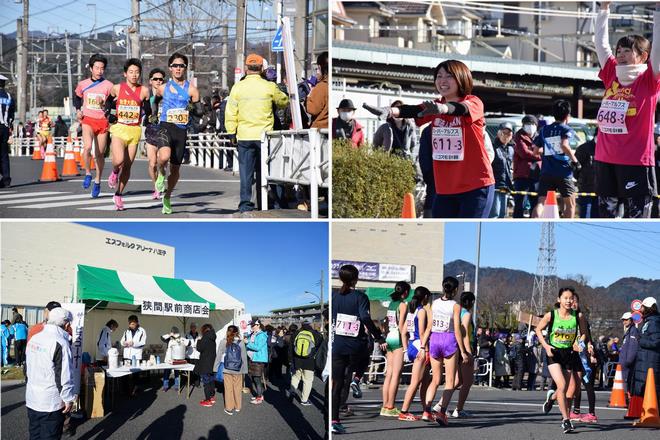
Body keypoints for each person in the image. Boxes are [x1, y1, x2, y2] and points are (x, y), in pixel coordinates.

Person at [366, 60, 495, 218]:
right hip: (445, 188)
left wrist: (444, 109)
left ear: (462, 78)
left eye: (449, 76)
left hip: (476, 185)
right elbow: (412, 110)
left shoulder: (474, 102)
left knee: (467, 234)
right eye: (439, 76)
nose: (442, 80)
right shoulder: (435, 106)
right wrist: (389, 111)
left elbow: (461, 109)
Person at [594, 2, 659, 218]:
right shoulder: (612, 73)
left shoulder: (649, 80)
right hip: (605, 158)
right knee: (606, 219)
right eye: (618, 50)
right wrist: (604, 8)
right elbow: (600, 44)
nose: (620, 54)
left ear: (643, 56)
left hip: (636, 161)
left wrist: (658, 12)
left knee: (637, 219)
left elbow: (658, 52)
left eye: (627, 50)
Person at [225, 53, 289, 213]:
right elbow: (284, 101)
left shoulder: (237, 87)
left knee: (246, 174)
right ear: (262, 69)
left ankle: (246, 205)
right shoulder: (269, 86)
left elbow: (230, 112)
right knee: (267, 172)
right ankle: (269, 203)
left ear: (246, 68)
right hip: (265, 137)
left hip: (244, 137)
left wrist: (232, 133)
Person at [331, 264, 385, 435]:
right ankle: (357, 378)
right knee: (365, 359)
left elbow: (331, 316)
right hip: (356, 343)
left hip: (338, 345)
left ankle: (334, 421)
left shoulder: (335, 297)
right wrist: (377, 335)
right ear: (356, 279)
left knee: (337, 384)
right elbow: (365, 317)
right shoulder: (360, 297)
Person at [153, 52, 203, 214]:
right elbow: (154, 102)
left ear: (185, 68)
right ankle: (160, 174)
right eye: (175, 65)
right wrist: (153, 115)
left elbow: (200, 112)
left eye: (181, 65)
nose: (178, 68)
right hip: (165, 126)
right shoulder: (162, 88)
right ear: (170, 68)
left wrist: (192, 108)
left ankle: (167, 196)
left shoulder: (192, 90)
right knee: (163, 157)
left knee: (175, 170)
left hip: (181, 131)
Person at [536, 287, 589, 434]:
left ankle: (552, 398)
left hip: (569, 353)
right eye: (565, 298)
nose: (568, 301)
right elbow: (538, 330)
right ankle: (566, 420)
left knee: (563, 389)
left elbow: (584, 334)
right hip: (553, 352)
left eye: (571, 298)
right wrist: (546, 346)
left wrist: (580, 343)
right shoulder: (551, 315)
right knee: (562, 384)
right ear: (559, 299)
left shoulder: (578, 316)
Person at [104, 58, 151, 210]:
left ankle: (118, 195)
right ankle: (114, 172)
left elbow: (148, 109)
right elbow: (109, 102)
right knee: (118, 160)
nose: (134, 75)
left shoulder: (144, 91)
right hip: (119, 128)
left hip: (134, 130)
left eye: (137, 72)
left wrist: (149, 117)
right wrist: (110, 113)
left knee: (128, 166)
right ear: (125, 74)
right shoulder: (117, 88)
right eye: (131, 72)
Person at [422, 276, 468, 425]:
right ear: (455, 290)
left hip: (434, 338)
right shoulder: (456, 306)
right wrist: (463, 351)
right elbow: (456, 330)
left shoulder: (433, 304)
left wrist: (423, 346)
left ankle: (427, 410)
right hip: (448, 339)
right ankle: (441, 413)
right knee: (449, 381)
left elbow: (429, 326)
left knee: (435, 379)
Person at [25, 307, 76, 440]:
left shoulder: (34, 338)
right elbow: (64, 376)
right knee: (50, 436)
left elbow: (27, 368)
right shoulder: (61, 343)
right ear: (67, 324)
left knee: (35, 435)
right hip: (50, 401)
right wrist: (68, 399)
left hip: (32, 397)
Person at [73, 54, 113, 198]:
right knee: (88, 147)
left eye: (102, 68)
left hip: (102, 121)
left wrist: (104, 105)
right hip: (88, 119)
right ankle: (88, 174)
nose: (99, 71)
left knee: (99, 154)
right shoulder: (83, 84)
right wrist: (78, 110)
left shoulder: (109, 86)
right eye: (97, 68)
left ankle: (97, 181)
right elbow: (77, 98)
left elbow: (111, 104)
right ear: (91, 68)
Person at [532, 100, 581, 218]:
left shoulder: (544, 130)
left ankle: (534, 223)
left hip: (546, 172)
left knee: (541, 203)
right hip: (564, 172)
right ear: (567, 115)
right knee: (570, 204)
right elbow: (564, 145)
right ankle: (568, 230)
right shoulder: (566, 129)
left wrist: (549, 151)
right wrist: (575, 161)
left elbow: (535, 151)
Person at [398, 286, 432, 421]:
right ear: (425, 297)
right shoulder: (421, 311)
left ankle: (426, 411)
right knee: (415, 382)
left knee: (425, 381)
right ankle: (404, 411)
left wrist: (406, 349)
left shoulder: (411, 311)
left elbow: (403, 332)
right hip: (420, 346)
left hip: (412, 345)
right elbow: (423, 333)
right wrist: (425, 349)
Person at [381, 281, 411, 417]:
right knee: (396, 375)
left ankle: (384, 405)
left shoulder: (391, 304)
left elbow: (386, 323)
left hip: (389, 337)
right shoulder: (403, 305)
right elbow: (402, 326)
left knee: (389, 374)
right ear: (405, 293)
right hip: (398, 339)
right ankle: (390, 406)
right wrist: (406, 347)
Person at [629, 297, 660, 407]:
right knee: (646, 391)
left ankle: (652, 417)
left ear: (648, 308)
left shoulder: (654, 322)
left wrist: (640, 340)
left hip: (650, 362)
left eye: (643, 306)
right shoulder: (649, 321)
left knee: (651, 391)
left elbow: (656, 342)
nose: (640, 309)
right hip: (645, 361)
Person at [144, 68, 168, 200]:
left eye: (161, 79)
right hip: (150, 131)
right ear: (150, 81)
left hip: (164, 131)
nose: (158, 81)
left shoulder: (167, 94)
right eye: (155, 79)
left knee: (161, 161)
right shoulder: (146, 95)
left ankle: (161, 177)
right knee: (152, 163)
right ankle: (156, 187)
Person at [452, 291, 476, 417]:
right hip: (464, 348)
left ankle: (439, 405)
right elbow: (465, 334)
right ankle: (459, 409)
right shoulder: (466, 314)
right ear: (471, 302)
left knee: (457, 381)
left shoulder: (455, 311)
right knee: (468, 381)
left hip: (453, 347)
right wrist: (468, 352)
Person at [512, 115, 541, 217]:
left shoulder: (539, 136)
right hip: (521, 175)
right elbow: (524, 153)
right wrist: (539, 155)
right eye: (527, 124)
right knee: (519, 204)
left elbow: (546, 151)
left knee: (536, 203)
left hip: (536, 174)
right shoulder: (518, 136)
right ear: (523, 125)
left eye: (532, 124)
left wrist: (535, 152)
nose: (530, 126)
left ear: (536, 125)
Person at [289, 319, 323, 405]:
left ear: (301, 324)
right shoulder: (316, 334)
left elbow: (290, 349)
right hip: (310, 361)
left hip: (296, 360)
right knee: (307, 381)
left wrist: (290, 360)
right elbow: (320, 349)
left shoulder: (296, 333)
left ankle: (292, 392)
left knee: (295, 377)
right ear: (310, 324)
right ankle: (304, 400)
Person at [216, 324, 248, 414]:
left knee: (228, 389)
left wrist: (215, 367)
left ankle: (229, 408)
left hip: (227, 368)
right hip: (238, 369)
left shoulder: (224, 341)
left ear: (227, 331)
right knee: (237, 388)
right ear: (237, 332)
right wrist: (245, 370)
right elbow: (244, 357)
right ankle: (238, 406)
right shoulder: (241, 342)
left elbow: (219, 355)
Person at [490, 122, 514, 218]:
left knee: (503, 214)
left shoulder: (511, 149)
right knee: (494, 214)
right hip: (495, 185)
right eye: (504, 133)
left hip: (505, 186)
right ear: (498, 133)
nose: (506, 136)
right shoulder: (492, 147)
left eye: (509, 134)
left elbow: (510, 167)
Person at [575, 129, 599, 218]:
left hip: (601, 190)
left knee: (597, 217)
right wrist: (581, 180)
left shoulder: (607, 148)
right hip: (586, 188)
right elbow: (575, 168)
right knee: (585, 215)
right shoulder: (584, 148)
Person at [245, 319, 268, 404]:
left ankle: (259, 397)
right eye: (251, 325)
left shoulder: (261, 335)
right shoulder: (253, 334)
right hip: (253, 359)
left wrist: (247, 342)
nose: (252, 327)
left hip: (258, 359)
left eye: (253, 325)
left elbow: (257, 347)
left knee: (257, 379)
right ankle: (259, 395)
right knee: (254, 378)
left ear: (258, 325)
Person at [161, 326, 190, 391]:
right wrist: (169, 334)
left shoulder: (181, 339)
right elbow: (162, 338)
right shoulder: (169, 339)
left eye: (175, 332)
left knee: (177, 373)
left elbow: (189, 343)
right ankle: (165, 386)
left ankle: (177, 386)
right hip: (168, 359)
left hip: (178, 358)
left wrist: (185, 339)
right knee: (166, 372)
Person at [195, 323, 217, 407]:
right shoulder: (213, 337)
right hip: (212, 362)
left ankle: (207, 400)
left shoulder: (205, 338)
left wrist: (198, 340)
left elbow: (199, 348)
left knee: (206, 382)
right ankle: (211, 397)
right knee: (211, 380)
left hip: (205, 363)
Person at [306, 51, 328, 129]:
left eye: (317, 69)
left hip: (319, 131)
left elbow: (312, 109)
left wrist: (308, 97)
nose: (316, 72)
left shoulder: (322, 86)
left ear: (320, 67)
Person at [0, 74, 15, 189]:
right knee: (4, 155)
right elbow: (11, 115)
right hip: (5, 128)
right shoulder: (9, 97)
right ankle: (6, 180)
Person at [619, 312, 640, 396]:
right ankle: (625, 397)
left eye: (626, 320)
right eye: (623, 320)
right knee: (624, 381)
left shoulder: (633, 331)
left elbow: (633, 347)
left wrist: (628, 360)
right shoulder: (628, 331)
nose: (624, 321)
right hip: (624, 361)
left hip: (627, 362)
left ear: (631, 320)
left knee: (627, 381)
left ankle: (627, 398)